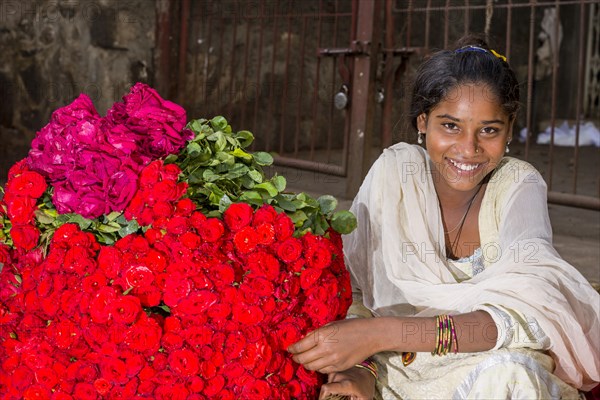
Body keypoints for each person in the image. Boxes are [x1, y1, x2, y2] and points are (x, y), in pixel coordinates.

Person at [288, 34, 600, 399]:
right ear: (423, 122)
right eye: (450, 125)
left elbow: (527, 320)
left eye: (489, 130)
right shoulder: (395, 174)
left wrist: (381, 334)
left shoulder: (517, 183)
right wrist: (359, 370)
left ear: (510, 129)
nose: (468, 149)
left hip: (485, 363)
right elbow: (358, 291)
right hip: (396, 365)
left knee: (510, 375)